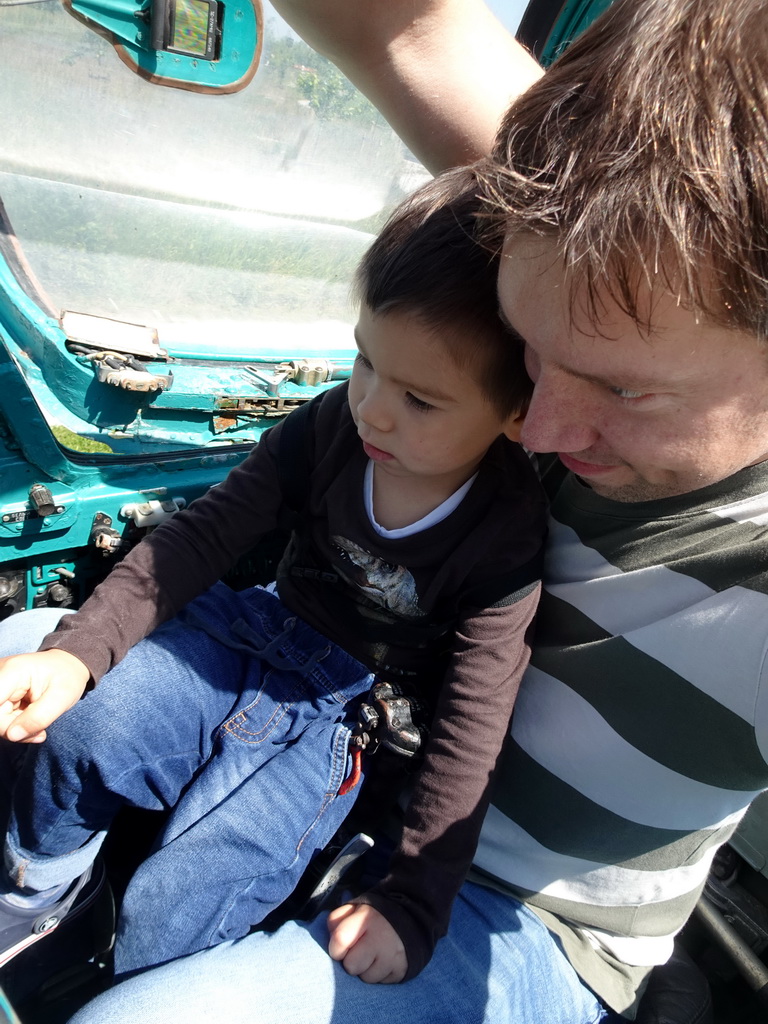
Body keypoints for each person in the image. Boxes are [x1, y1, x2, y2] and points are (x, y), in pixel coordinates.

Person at [42, 0, 768, 1021]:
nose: (539, 427)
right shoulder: (597, 221)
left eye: (624, 389)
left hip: (515, 904)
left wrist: (415, 897)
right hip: (345, 722)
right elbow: (408, 28)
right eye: (525, 350)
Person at [0, 168, 547, 982]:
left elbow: (473, 731)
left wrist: (412, 902)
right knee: (83, 732)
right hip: (254, 631)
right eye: (365, 363)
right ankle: (39, 908)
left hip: (349, 713)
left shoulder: (504, 540)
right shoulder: (330, 425)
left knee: (189, 897)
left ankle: (137, 987)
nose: (373, 409)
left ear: (517, 413)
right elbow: (203, 536)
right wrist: (78, 652)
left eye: (421, 400)